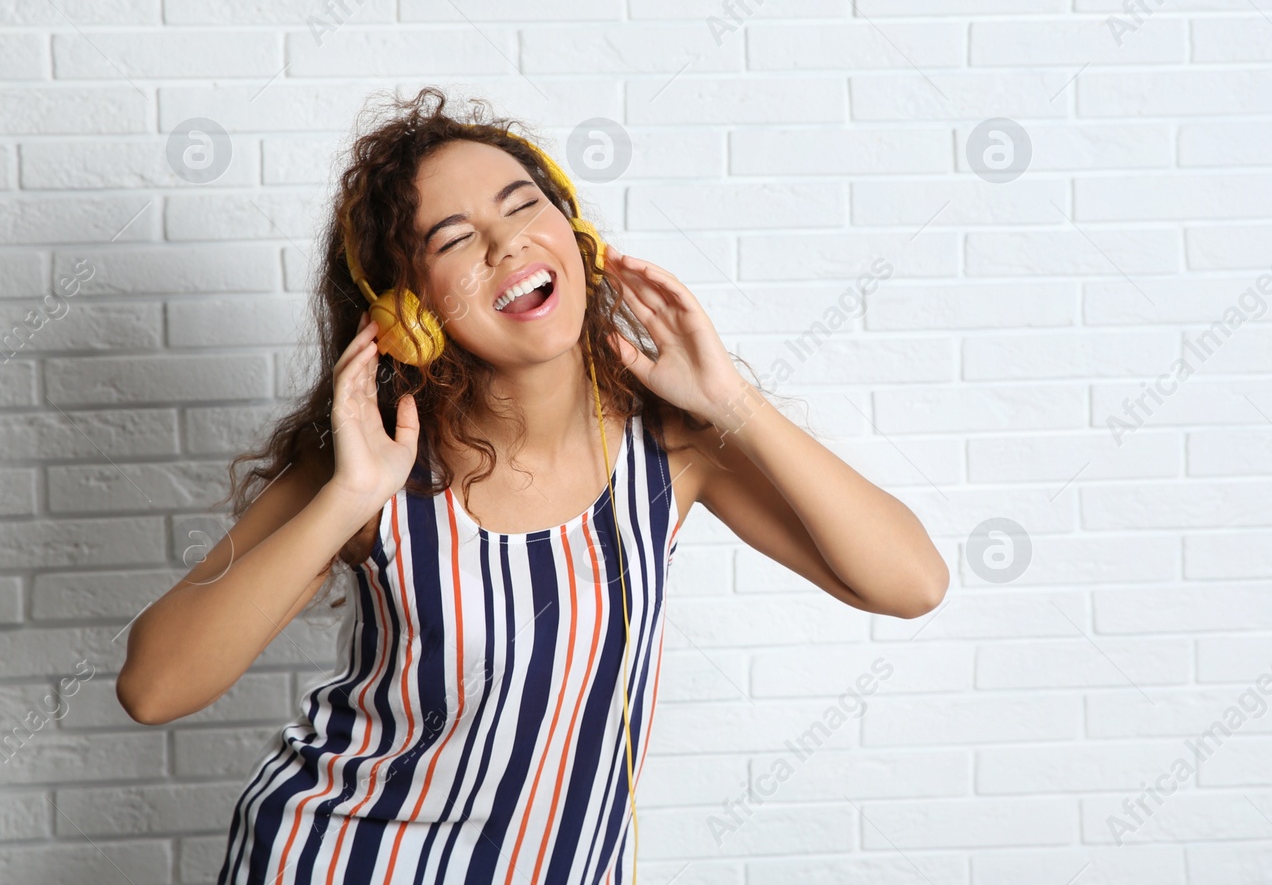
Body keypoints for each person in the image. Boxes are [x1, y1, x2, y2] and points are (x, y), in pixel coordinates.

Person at [115, 87, 948, 884]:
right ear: (410, 308)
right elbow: (153, 687)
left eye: (523, 206)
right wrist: (346, 497)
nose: (505, 242)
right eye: (452, 238)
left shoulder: (673, 450)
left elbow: (912, 583)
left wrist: (734, 401)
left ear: (574, 233)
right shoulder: (375, 468)